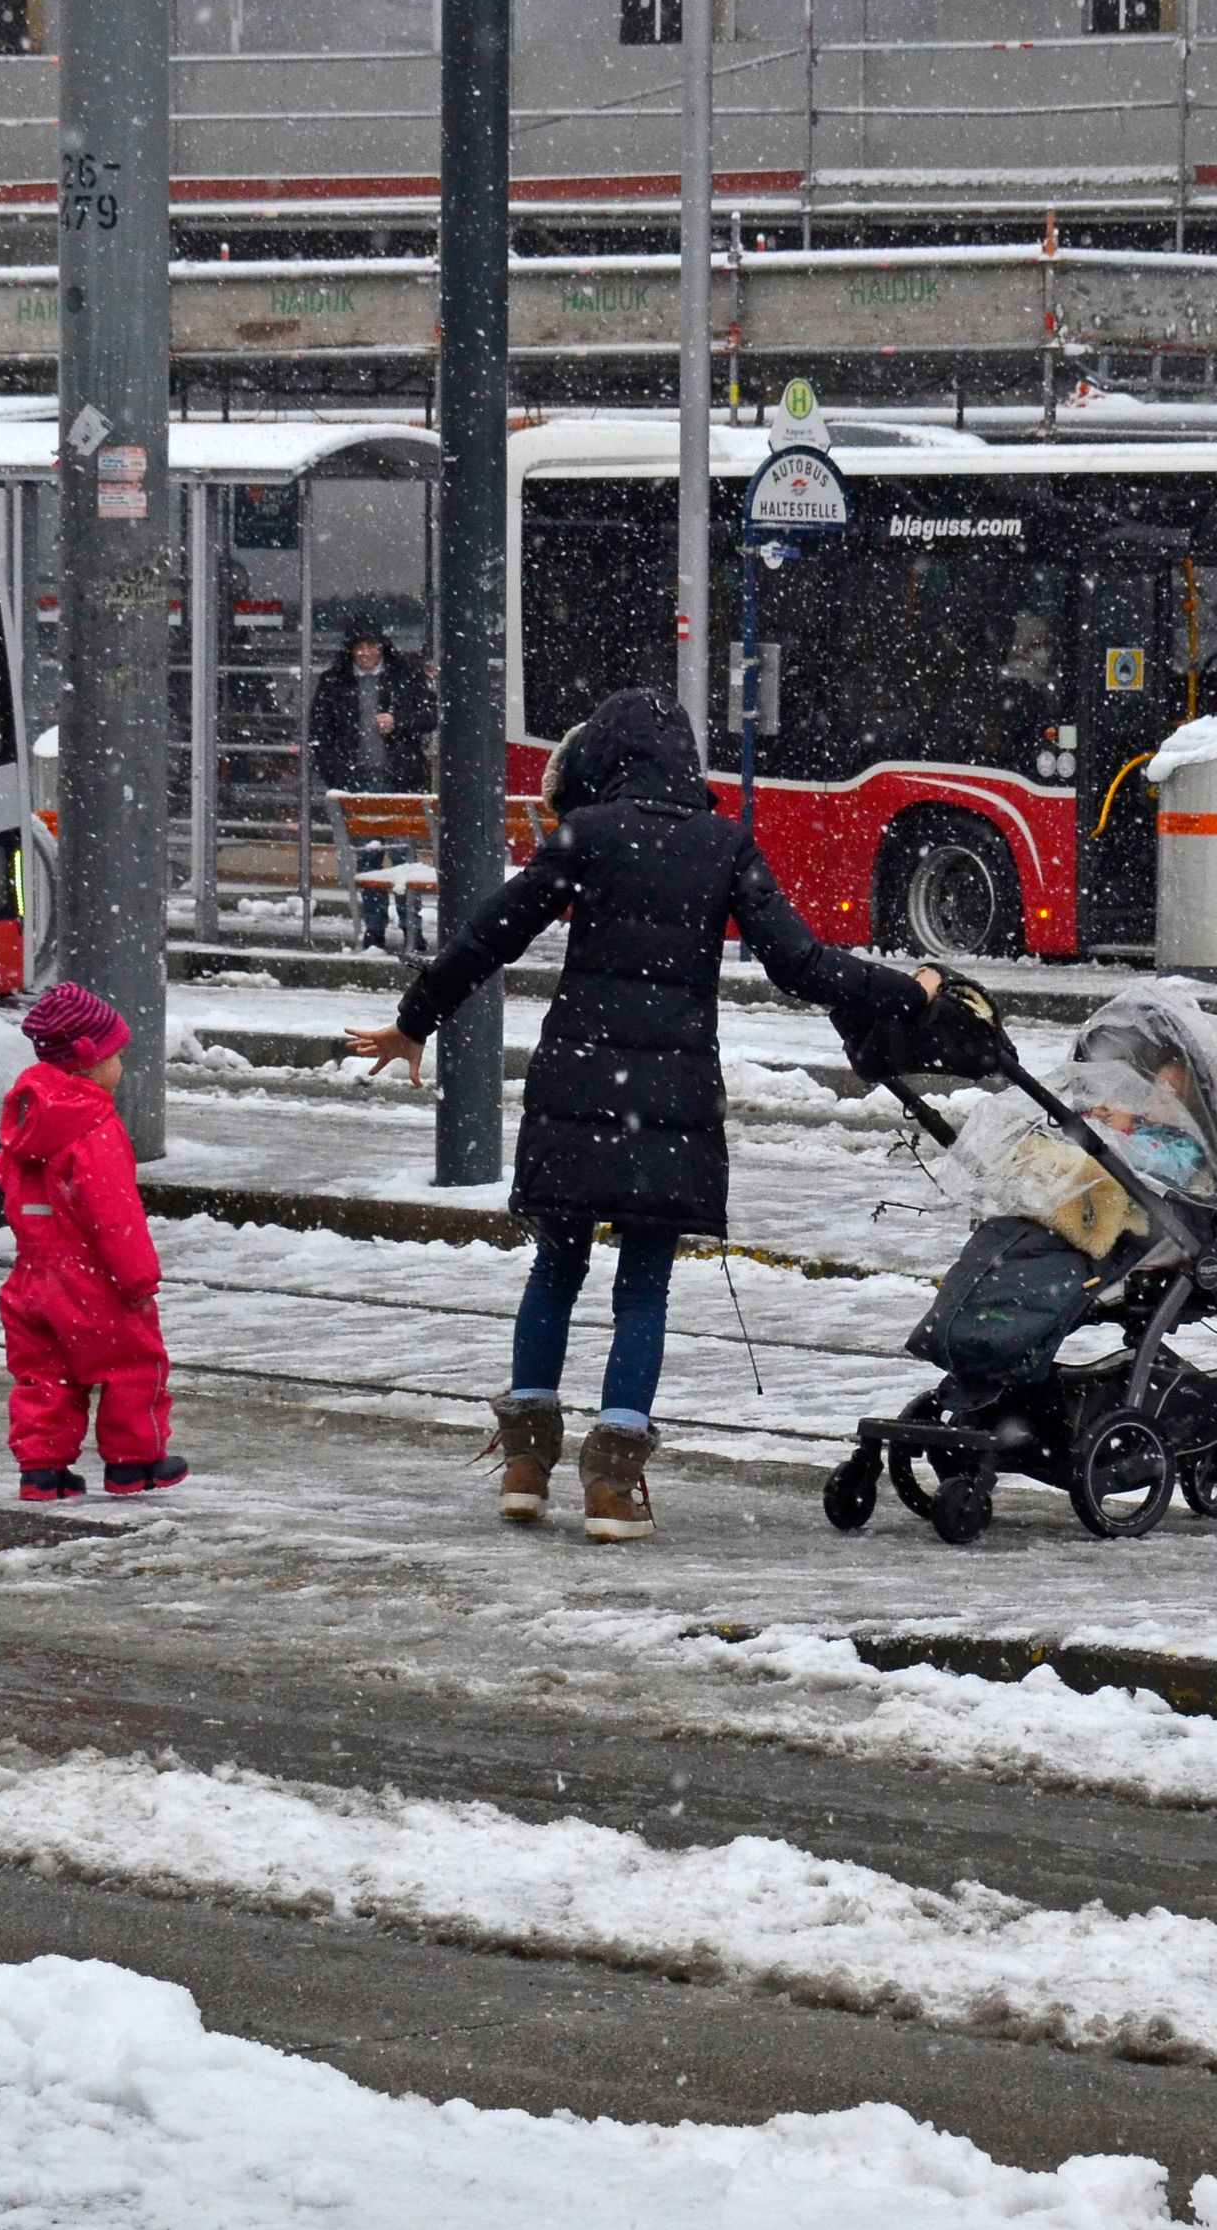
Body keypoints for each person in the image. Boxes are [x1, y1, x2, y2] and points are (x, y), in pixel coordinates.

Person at [346, 689, 933, 1543]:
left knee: (555, 1268)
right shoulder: (723, 841)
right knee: (643, 1289)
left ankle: (523, 1467)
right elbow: (799, 963)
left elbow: (489, 934)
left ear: (606, 761)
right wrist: (902, 991)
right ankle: (613, 1488)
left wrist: (413, 1022)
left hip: (578, 1081)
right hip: (671, 1099)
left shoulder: (588, 835)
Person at [0, 982, 185, 1501]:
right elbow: (113, 1214)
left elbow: (15, 1191)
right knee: (133, 1366)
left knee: (44, 1375)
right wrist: (138, 1278)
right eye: (117, 1056)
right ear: (88, 1060)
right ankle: (136, 1463)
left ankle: (43, 1471)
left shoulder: (27, 1117)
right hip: (93, 1278)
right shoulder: (94, 1125)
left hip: (33, 1276)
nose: (121, 1067)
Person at [311, 624, 437, 948]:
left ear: (382, 647)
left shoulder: (403, 675)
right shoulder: (335, 683)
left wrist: (399, 722)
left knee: (400, 858)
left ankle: (410, 928)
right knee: (371, 858)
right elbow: (321, 736)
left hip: (399, 780)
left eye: (372, 646)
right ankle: (376, 930)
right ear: (351, 650)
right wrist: (341, 776)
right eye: (360, 647)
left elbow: (430, 715)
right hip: (362, 782)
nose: (366, 653)